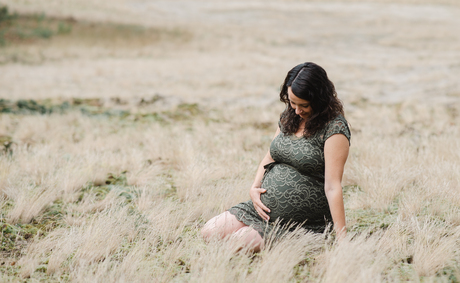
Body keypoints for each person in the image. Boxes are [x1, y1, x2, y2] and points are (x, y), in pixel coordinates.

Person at [201, 62, 351, 252]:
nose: (297, 110)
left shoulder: (334, 129)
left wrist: (342, 240)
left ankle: (305, 238)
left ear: (320, 99)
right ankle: (255, 231)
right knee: (209, 232)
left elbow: (332, 187)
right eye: (292, 102)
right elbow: (270, 155)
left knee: (236, 242)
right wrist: (255, 187)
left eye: (303, 105)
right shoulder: (291, 116)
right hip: (261, 210)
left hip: (300, 222)